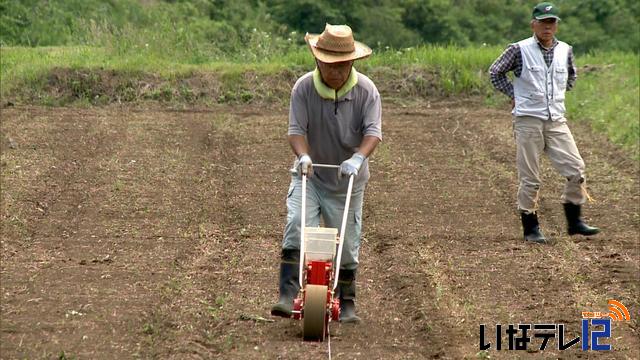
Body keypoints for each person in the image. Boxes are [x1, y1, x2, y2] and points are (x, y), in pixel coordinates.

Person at [270, 24, 382, 323]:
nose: (335, 71)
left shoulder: (367, 91)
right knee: (296, 224)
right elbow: (296, 131)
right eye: (330, 65)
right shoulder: (304, 87)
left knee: (347, 242)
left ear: (352, 63)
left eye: (342, 65)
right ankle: (287, 292)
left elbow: (373, 132)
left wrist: (358, 158)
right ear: (318, 60)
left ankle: (346, 302)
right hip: (310, 175)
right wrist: (303, 155)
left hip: (348, 181)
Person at [489, 2, 600, 243]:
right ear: (533, 24)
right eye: (543, 22)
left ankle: (575, 221)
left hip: (557, 119)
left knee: (576, 169)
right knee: (530, 177)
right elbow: (495, 72)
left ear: (557, 25)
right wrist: (514, 95)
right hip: (528, 120)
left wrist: (555, 95)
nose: (547, 27)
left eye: (551, 22)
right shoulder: (518, 49)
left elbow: (571, 76)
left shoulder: (566, 50)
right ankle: (530, 227)